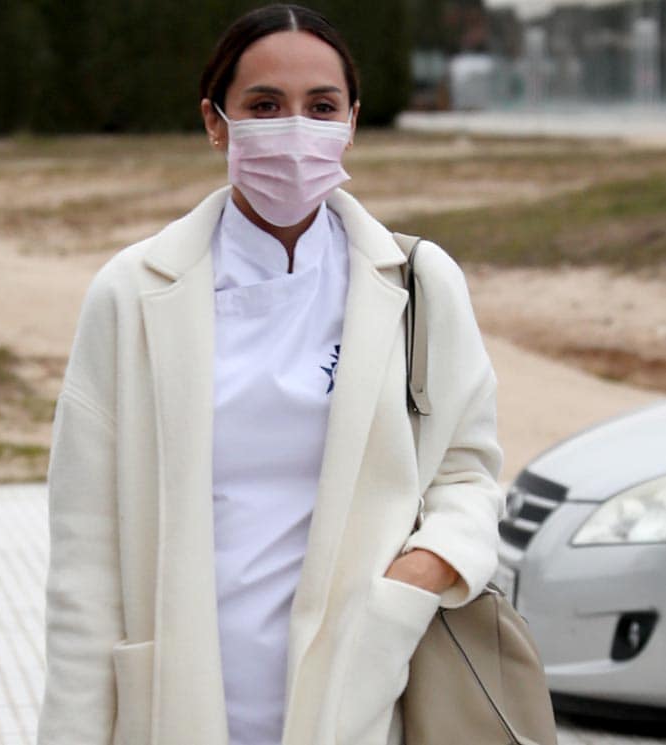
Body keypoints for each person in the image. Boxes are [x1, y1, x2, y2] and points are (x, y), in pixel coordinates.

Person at [36, 5, 504, 745]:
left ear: (351, 120)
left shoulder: (417, 283)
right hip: (180, 698)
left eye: (320, 107)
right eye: (263, 106)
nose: (295, 130)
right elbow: (86, 558)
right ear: (215, 122)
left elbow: (468, 469)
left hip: (362, 690)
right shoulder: (131, 293)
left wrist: (420, 572)